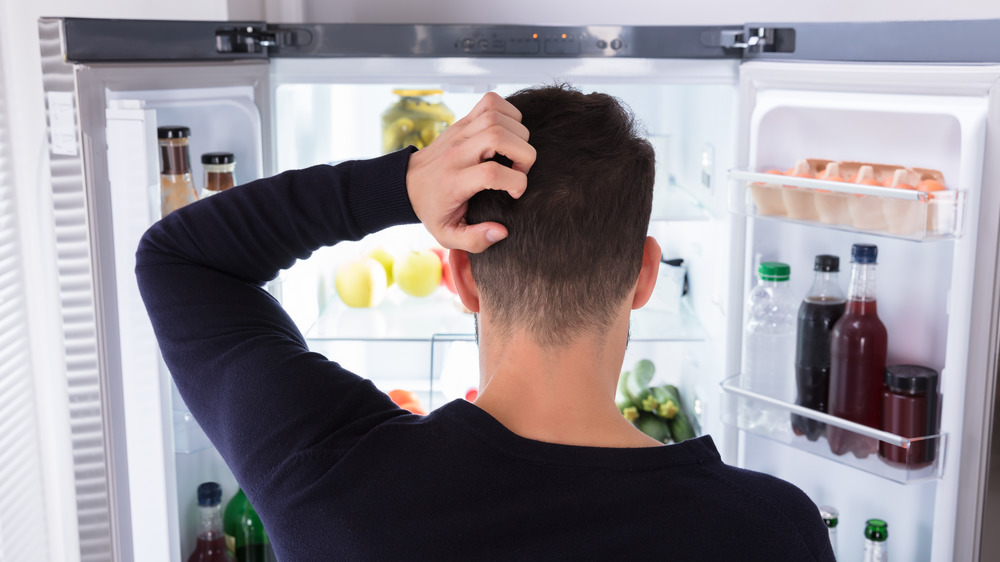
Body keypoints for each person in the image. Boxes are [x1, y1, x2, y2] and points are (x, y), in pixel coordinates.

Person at [136, 86, 835, 561]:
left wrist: (404, 184)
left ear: (461, 276)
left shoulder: (337, 490)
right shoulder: (772, 531)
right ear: (645, 275)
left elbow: (179, 259)